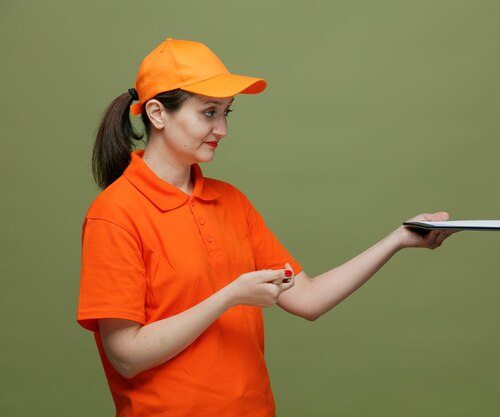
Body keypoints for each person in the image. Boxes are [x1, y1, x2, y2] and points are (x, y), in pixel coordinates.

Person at [77, 38, 454, 417]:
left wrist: (399, 238)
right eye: (209, 112)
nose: (222, 129)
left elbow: (307, 299)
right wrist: (229, 296)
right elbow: (126, 356)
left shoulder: (231, 203)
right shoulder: (115, 213)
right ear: (157, 113)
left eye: (227, 113)